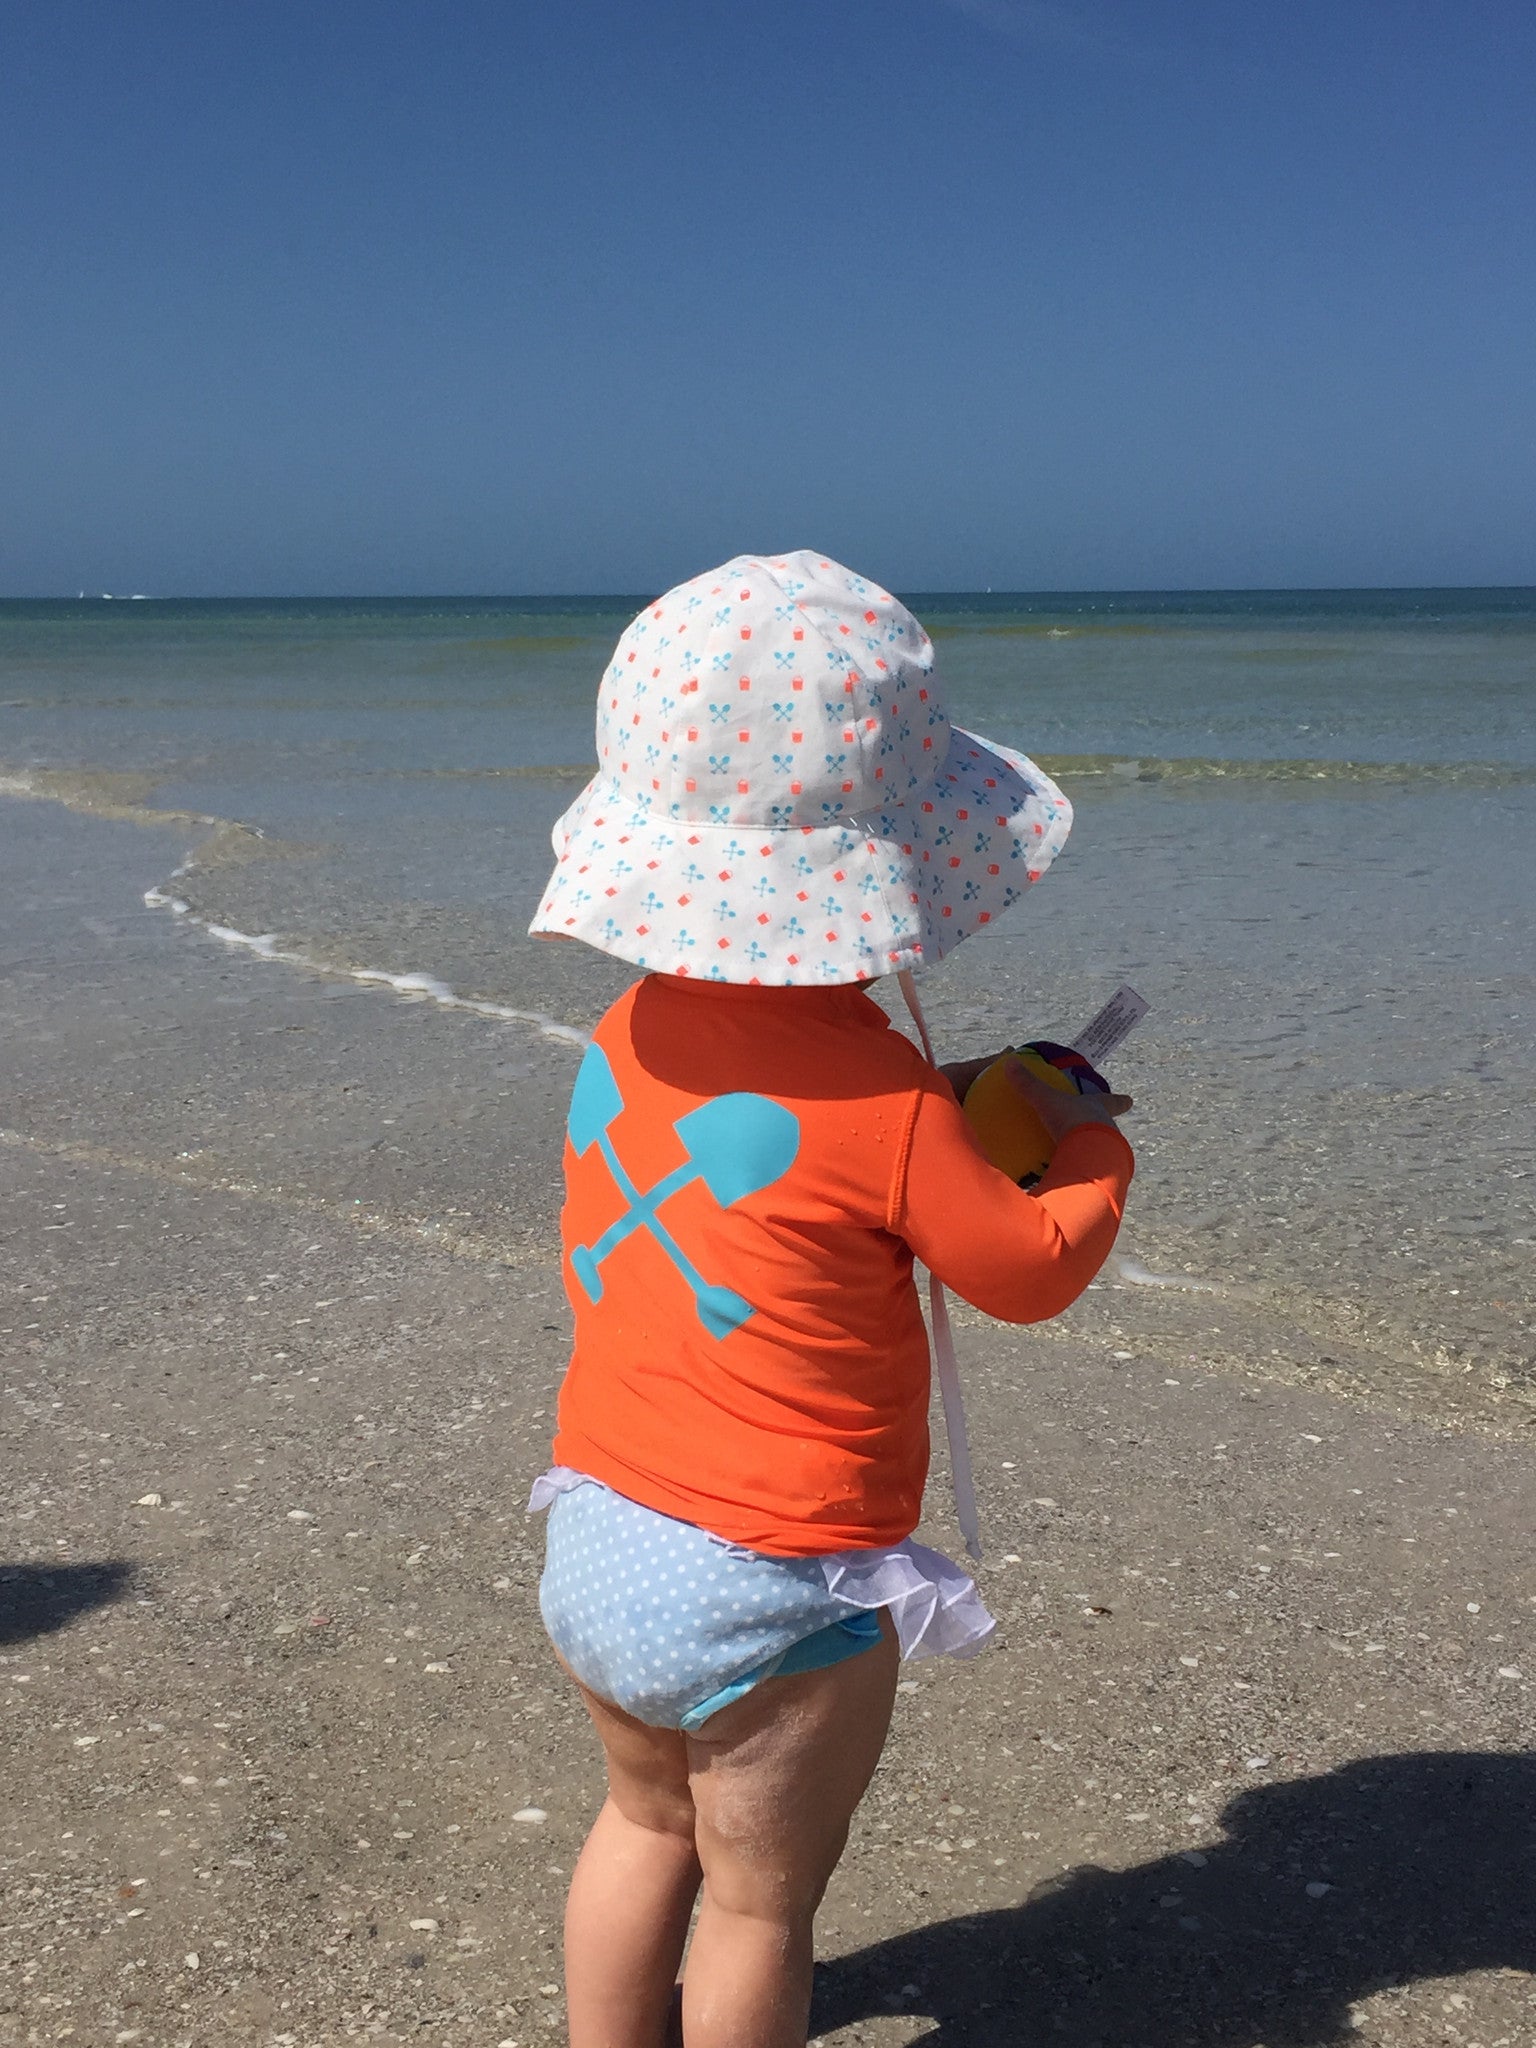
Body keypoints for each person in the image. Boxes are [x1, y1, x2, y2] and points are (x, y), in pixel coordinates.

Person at [526, 551, 1134, 2048]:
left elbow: (773, 1161)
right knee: (756, 1903)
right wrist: (1088, 1143)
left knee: (643, 1827)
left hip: (601, 1525)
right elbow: (1029, 1270)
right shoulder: (887, 1102)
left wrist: (939, 1099)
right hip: (771, 1578)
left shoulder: (629, 1026)